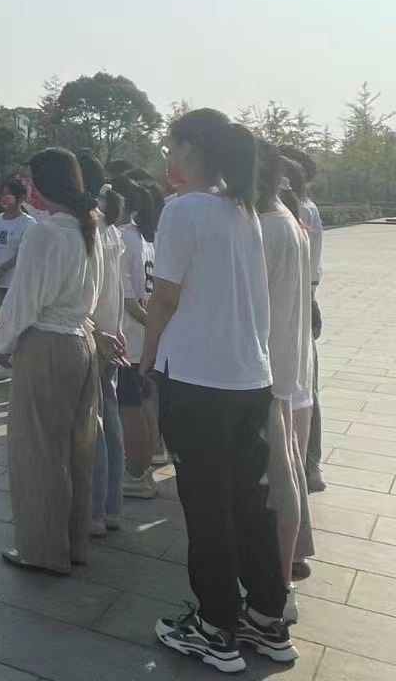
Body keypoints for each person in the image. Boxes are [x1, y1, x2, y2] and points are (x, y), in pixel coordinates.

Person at [141, 110, 293, 672]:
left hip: (198, 381)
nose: (168, 156)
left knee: (208, 508)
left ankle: (214, 628)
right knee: (248, 501)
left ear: (192, 148)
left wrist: (146, 357)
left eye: (172, 145)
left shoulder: (183, 210)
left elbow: (165, 297)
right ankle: (266, 617)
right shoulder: (243, 209)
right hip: (248, 378)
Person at [0, 148, 99, 576]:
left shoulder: (44, 233)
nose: (27, 188)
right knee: (75, 450)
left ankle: (41, 549)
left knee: (38, 451)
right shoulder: (88, 228)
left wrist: (1, 342)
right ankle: (72, 543)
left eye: (31, 180)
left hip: (47, 344)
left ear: (45, 184)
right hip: (80, 342)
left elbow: (24, 299)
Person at [256, 143, 314, 618]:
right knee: (287, 472)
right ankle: (288, 568)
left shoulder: (267, 228)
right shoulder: (288, 222)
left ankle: (277, 592)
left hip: (267, 374)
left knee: (274, 484)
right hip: (288, 370)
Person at [76, 151, 125, 539]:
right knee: (109, 417)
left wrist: (96, 332)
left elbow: (87, 292)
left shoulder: (87, 227)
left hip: (94, 334)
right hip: (109, 330)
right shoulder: (109, 227)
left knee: (93, 425)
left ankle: (93, 511)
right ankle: (110, 506)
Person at [282, 147, 325, 493]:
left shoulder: (296, 211)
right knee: (306, 387)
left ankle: (306, 465)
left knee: (301, 389)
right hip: (304, 298)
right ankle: (310, 466)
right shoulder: (307, 209)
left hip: (294, 303)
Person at [115, 177, 161, 501]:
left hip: (129, 337)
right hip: (143, 337)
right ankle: (146, 465)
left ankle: (135, 472)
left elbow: (129, 302)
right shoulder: (144, 237)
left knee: (129, 407)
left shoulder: (122, 238)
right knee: (145, 402)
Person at [0, 179, 37, 379]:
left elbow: (24, 251)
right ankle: (3, 361)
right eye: (1, 194)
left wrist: (4, 268)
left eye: (8, 194)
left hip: (16, 281)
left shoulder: (28, 223)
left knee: (16, 320)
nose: (3, 198)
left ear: (20, 198)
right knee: (2, 319)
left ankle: (15, 360)